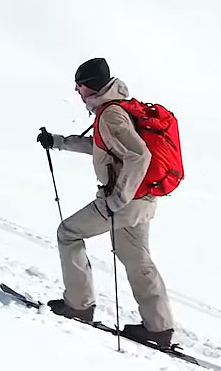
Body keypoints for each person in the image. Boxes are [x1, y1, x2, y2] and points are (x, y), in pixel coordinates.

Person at [36, 56, 175, 349]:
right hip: (143, 199)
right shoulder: (115, 109)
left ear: (91, 86)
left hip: (124, 201)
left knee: (68, 233)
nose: (76, 90)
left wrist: (116, 200)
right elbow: (100, 146)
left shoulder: (111, 115)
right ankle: (159, 327)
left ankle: (78, 305)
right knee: (137, 259)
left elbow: (139, 156)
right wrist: (59, 141)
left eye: (79, 85)